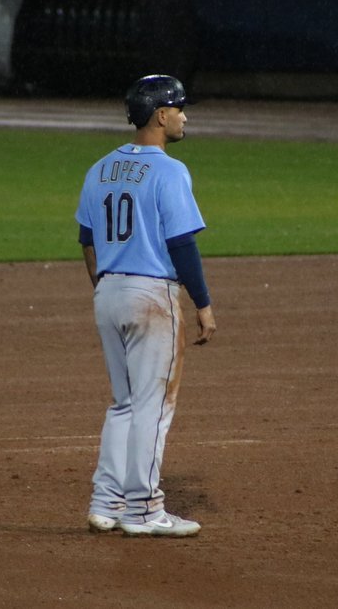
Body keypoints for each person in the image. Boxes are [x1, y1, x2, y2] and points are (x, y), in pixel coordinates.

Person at [74, 74, 217, 537]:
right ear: (160, 116)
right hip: (152, 295)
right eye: (179, 108)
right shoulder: (170, 170)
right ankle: (144, 510)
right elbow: (181, 244)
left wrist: (105, 288)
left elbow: (87, 240)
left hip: (108, 293)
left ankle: (105, 503)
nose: (184, 116)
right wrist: (203, 302)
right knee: (153, 407)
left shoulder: (99, 168)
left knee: (124, 404)